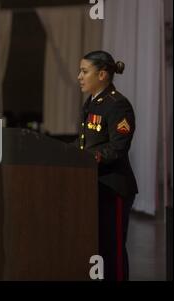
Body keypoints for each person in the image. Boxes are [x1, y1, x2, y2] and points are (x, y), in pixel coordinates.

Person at [76, 50, 138, 281]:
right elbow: (85, 140)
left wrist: (87, 158)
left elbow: (118, 147)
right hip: (95, 185)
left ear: (102, 74)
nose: (79, 76)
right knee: (99, 246)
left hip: (113, 187)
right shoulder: (92, 102)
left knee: (112, 249)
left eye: (84, 71)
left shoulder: (117, 105)